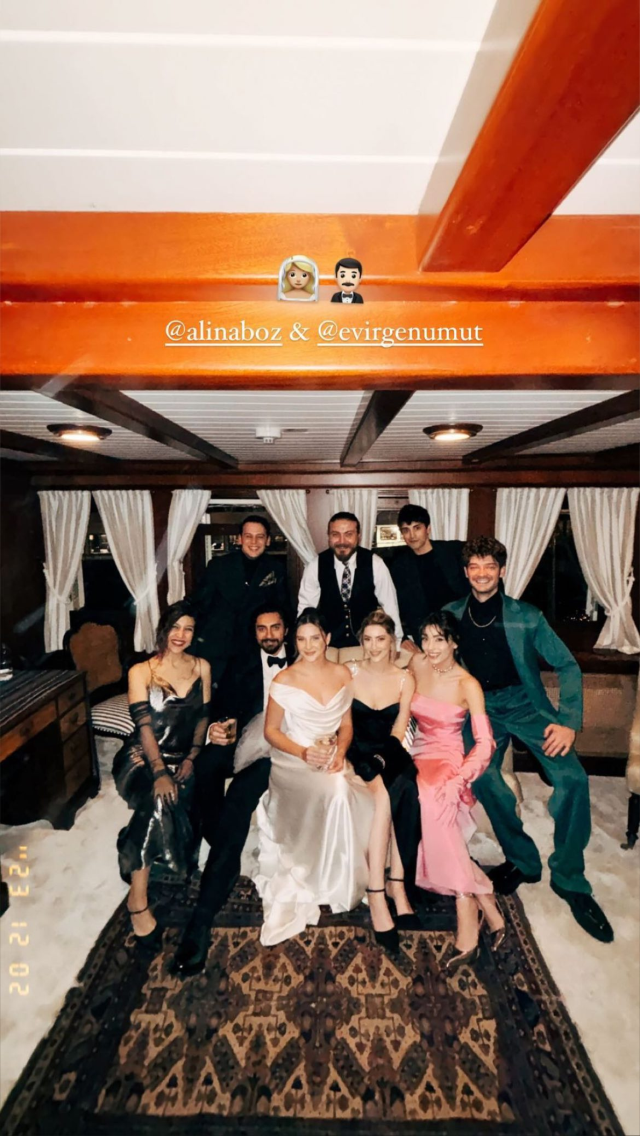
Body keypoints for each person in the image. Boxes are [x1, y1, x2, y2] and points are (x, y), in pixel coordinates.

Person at [445, 536, 613, 943]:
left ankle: (569, 878)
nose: (482, 574)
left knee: (573, 778)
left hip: (526, 705)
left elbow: (567, 666)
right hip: (481, 709)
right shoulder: (451, 615)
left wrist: (568, 721)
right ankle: (523, 859)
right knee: (482, 778)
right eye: (474, 567)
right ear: (466, 572)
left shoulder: (527, 616)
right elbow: (431, 655)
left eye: (489, 566)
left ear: (501, 571)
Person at [253, 608, 386, 948]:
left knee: (346, 787)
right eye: (301, 639)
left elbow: (346, 725)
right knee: (339, 790)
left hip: (332, 754)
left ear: (327, 639)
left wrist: (341, 752)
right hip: (293, 760)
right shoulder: (285, 680)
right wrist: (303, 753)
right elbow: (271, 732)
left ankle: (342, 877)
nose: (309, 645)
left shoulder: (342, 673)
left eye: (315, 638)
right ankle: (325, 879)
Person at [172, 604, 292, 976]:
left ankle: (201, 919)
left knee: (239, 798)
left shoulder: (303, 658)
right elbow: (221, 706)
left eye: (275, 627)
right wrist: (215, 730)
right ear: (254, 632)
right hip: (243, 740)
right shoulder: (242, 662)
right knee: (203, 767)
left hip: (278, 751)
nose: (269, 635)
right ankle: (208, 835)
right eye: (261, 629)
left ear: (286, 630)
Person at [407, 611, 506, 974]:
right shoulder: (417, 662)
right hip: (417, 751)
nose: (431, 647)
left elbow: (485, 742)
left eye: (439, 639)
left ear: (454, 642)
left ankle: (467, 912)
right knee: (412, 792)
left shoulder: (468, 684)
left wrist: (460, 778)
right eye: (426, 638)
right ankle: (486, 898)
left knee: (434, 797)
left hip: (447, 758)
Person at [113, 603, 211, 946]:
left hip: (183, 758)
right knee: (160, 799)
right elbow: (143, 727)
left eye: (188, 628)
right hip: (142, 758)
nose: (181, 635)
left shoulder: (201, 667)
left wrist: (193, 757)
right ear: (163, 630)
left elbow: (202, 718)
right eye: (175, 627)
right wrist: (158, 771)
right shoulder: (141, 671)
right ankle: (137, 902)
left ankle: (130, 838)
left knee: (180, 823)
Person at [346, 609, 421, 934]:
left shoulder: (405, 678)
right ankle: (376, 892)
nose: (374, 646)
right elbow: (342, 724)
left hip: (389, 752)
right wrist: (357, 759)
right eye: (368, 639)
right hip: (355, 750)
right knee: (381, 798)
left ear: (393, 642)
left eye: (381, 639)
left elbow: (400, 728)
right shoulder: (349, 671)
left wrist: (380, 760)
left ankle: (397, 884)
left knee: (409, 787)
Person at [189, 513, 288, 688]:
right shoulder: (218, 565)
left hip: (253, 650)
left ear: (267, 541)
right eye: (248, 536)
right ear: (239, 539)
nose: (254, 542)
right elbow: (200, 603)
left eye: (260, 537)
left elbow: (282, 607)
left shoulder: (276, 568)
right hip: (219, 647)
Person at [297, 512, 402, 652]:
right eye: (335, 534)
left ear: (358, 536)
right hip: (329, 647)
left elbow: (390, 606)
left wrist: (397, 645)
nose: (342, 541)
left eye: (348, 534)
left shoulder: (375, 564)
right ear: (328, 537)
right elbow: (305, 612)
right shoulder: (315, 566)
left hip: (367, 647)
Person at [390, 503, 468, 656]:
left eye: (417, 528)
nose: (412, 535)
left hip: (461, 630)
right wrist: (401, 637)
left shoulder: (454, 552)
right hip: (426, 637)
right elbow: (395, 605)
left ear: (428, 529)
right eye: (406, 530)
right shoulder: (399, 566)